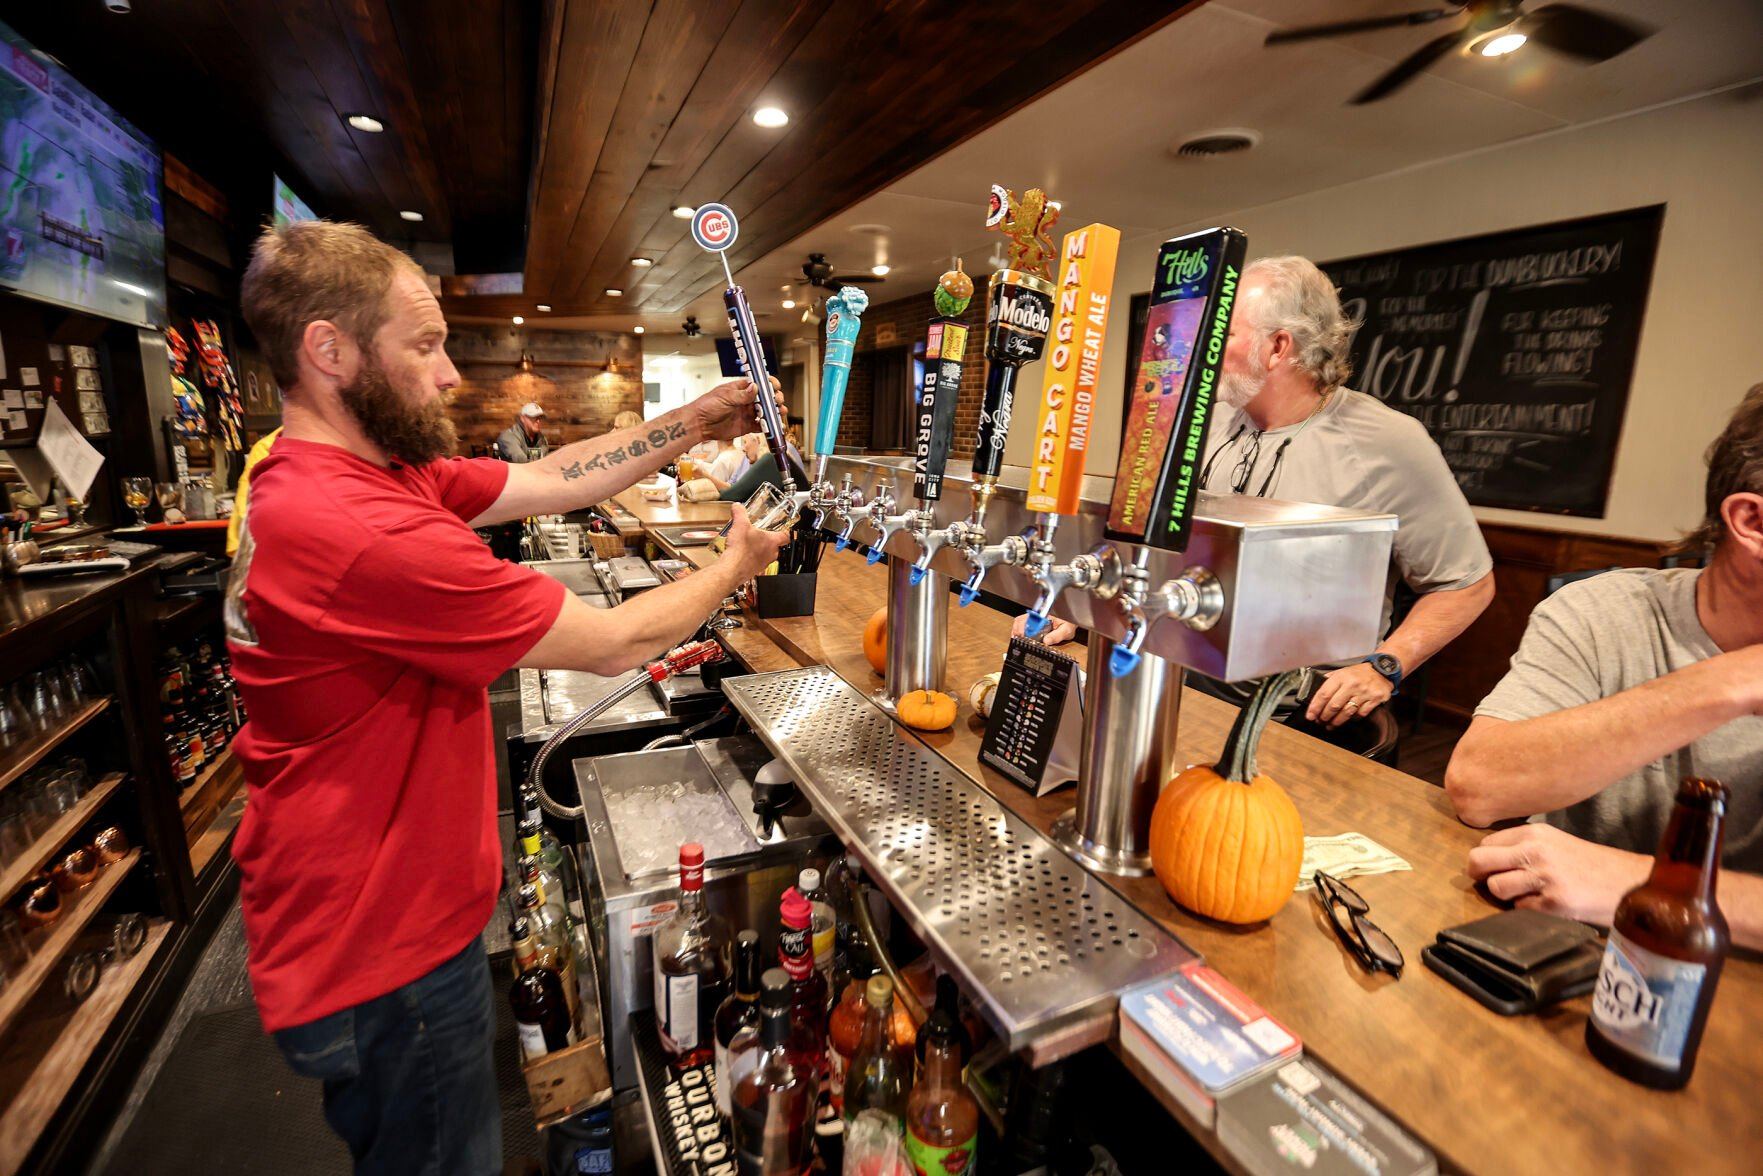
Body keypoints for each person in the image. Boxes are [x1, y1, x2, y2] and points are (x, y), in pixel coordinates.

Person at [225, 220, 789, 1175]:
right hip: (381, 947)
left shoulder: (348, 469)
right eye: (425, 344)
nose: (449, 375)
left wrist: (693, 420)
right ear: (329, 350)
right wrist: (737, 562)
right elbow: (616, 642)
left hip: (350, 916)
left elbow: (544, 479)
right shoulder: (356, 523)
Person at [1014, 255, 1494, 732]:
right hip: (1181, 677)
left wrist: (1385, 665)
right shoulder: (1209, 420)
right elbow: (1151, 545)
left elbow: (1467, 583)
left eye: (1224, 334)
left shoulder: (1388, 442)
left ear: (1278, 346)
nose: (1206, 349)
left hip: (1295, 711)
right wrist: (1081, 612)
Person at [1446, 385, 1763, 949]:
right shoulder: (1603, 612)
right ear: (1752, 522)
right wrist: (1734, 681)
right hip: (1555, 959)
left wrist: (1637, 883)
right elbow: (1479, 784)